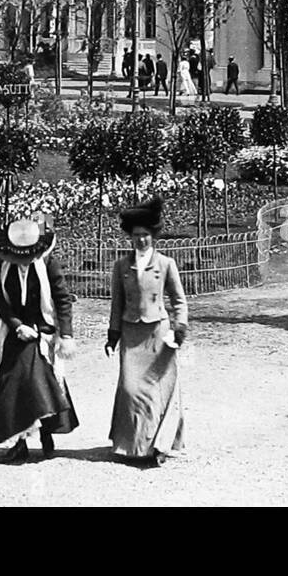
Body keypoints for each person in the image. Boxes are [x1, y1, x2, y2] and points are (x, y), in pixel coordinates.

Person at [0, 216, 78, 462]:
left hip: (43, 331)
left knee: (35, 380)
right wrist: (16, 325)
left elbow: (62, 300)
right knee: (10, 381)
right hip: (14, 331)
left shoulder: (48, 264)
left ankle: (45, 431)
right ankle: (19, 440)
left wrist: (66, 335)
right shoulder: (1, 264)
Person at [106, 195, 187, 466]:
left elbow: (178, 300)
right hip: (131, 334)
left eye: (145, 236)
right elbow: (117, 303)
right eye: (136, 236)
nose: (141, 240)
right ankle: (131, 445)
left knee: (158, 390)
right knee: (130, 389)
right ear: (130, 237)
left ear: (153, 236)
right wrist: (113, 334)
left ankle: (158, 446)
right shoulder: (121, 266)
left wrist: (179, 328)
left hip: (159, 334)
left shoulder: (165, 264)